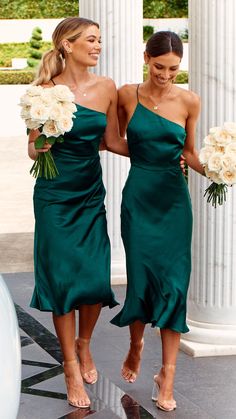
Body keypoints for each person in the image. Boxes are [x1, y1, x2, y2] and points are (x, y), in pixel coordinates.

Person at [28, 17, 129, 409]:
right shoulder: (42, 91)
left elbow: (112, 141)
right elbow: (32, 149)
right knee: (61, 277)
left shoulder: (106, 88)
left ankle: (84, 343)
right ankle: (70, 365)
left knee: (93, 274)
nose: (98, 46)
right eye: (91, 40)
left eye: (99, 40)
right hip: (53, 195)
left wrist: (165, 157)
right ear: (67, 45)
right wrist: (44, 148)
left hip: (89, 192)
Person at [110, 31, 205, 412]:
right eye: (159, 66)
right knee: (142, 277)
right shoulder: (126, 95)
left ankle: (167, 375)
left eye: (173, 69)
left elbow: (190, 152)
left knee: (173, 283)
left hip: (173, 203)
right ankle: (136, 344)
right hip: (139, 196)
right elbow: (115, 141)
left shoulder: (189, 100)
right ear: (146, 57)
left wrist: (218, 169)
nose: (166, 74)